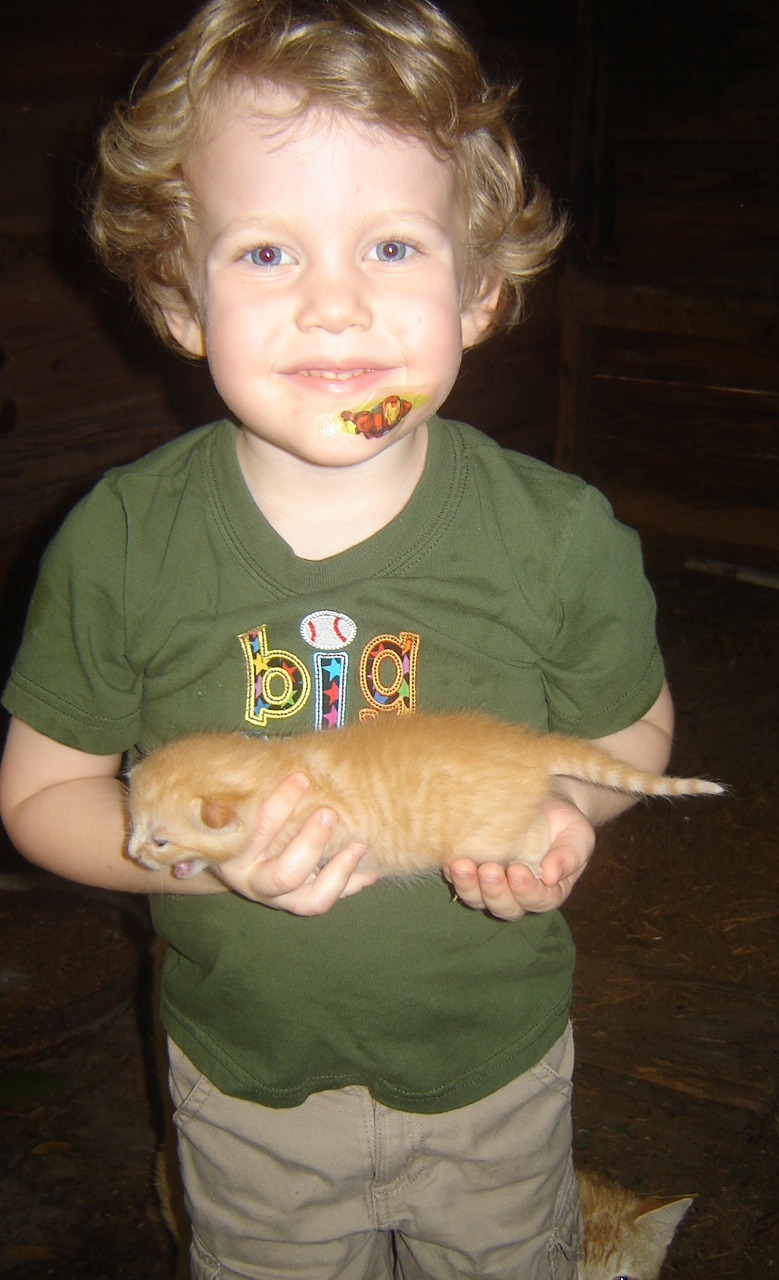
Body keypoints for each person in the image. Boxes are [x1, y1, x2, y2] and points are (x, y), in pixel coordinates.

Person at [0, 1, 674, 1276]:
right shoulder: (122, 542)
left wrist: (561, 809)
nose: (331, 307)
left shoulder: (557, 534)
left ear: (476, 292)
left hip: (491, 1068)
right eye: (264, 254)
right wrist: (210, 864)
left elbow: (628, 725)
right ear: (175, 295)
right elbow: (41, 795)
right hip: (248, 1088)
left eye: (390, 246)